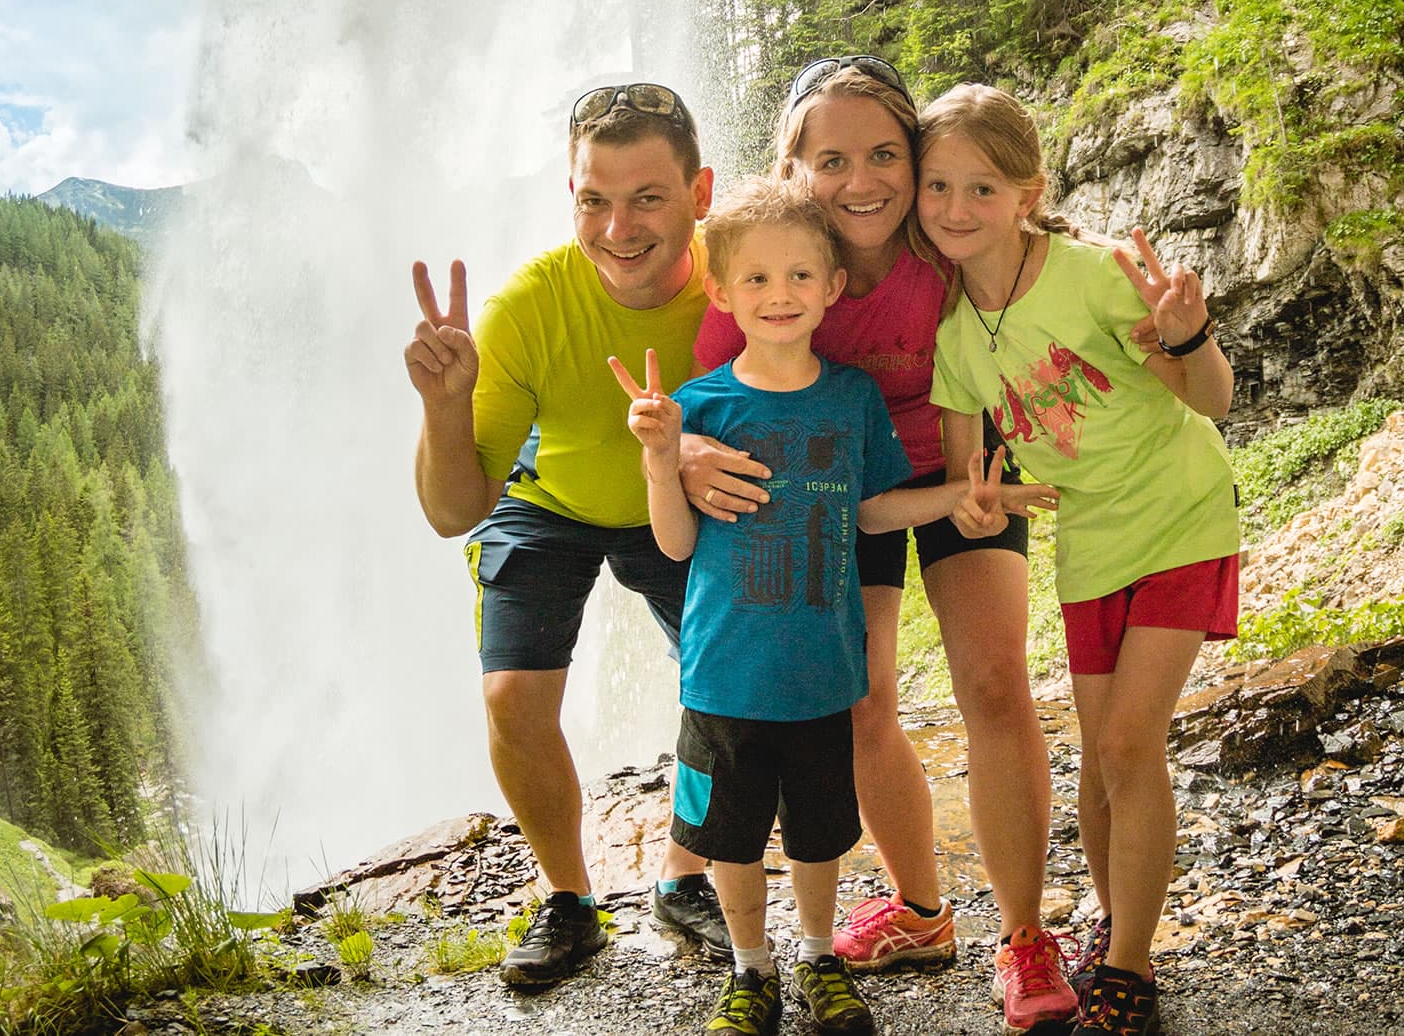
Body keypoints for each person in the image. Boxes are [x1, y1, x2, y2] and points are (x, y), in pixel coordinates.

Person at [684, 57, 1077, 1032]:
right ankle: (923, 911)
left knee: (991, 680)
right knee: (861, 703)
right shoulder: (768, 263)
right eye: (831, 158)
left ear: (913, 157)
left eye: (882, 154)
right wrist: (688, 453)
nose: (860, 180)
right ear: (793, 165)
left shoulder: (941, 245)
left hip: (958, 466)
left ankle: (1024, 937)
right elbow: (701, 394)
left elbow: (1037, 275)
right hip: (831, 484)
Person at [619, 177, 1033, 1036]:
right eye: (759, 281)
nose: (781, 296)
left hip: (823, 669)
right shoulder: (698, 407)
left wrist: (958, 497)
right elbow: (674, 545)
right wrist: (663, 460)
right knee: (729, 838)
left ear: (832, 287)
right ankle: (750, 969)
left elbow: (873, 508)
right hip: (724, 675)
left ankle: (815, 957)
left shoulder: (851, 396)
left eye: (800, 277)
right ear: (723, 293)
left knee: (816, 834)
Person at [915, 84, 1242, 1036]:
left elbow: (1210, 397)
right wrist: (977, 504)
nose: (954, 209)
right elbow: (965, 472)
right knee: (1101, 761)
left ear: (1030, 194)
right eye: (938, 186)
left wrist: (1190, 332)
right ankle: (1111, 929)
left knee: (1131, 742)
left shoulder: (1096, 274)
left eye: (982, 188)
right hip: (1090, 540)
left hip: (1180, 511)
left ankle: (1130, 972)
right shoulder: (953, 338)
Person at [404, 82, 733, 988]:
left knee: (729, 678)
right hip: (547, 497)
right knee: (513, 697)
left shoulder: (741, 284)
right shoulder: (528, 307)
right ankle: (569, 900)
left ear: (700, 195)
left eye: (647, 198)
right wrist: (443, 408)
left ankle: (686, 877)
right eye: (594, 199)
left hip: (679, 490)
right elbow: (452, 510)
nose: (617, 228)